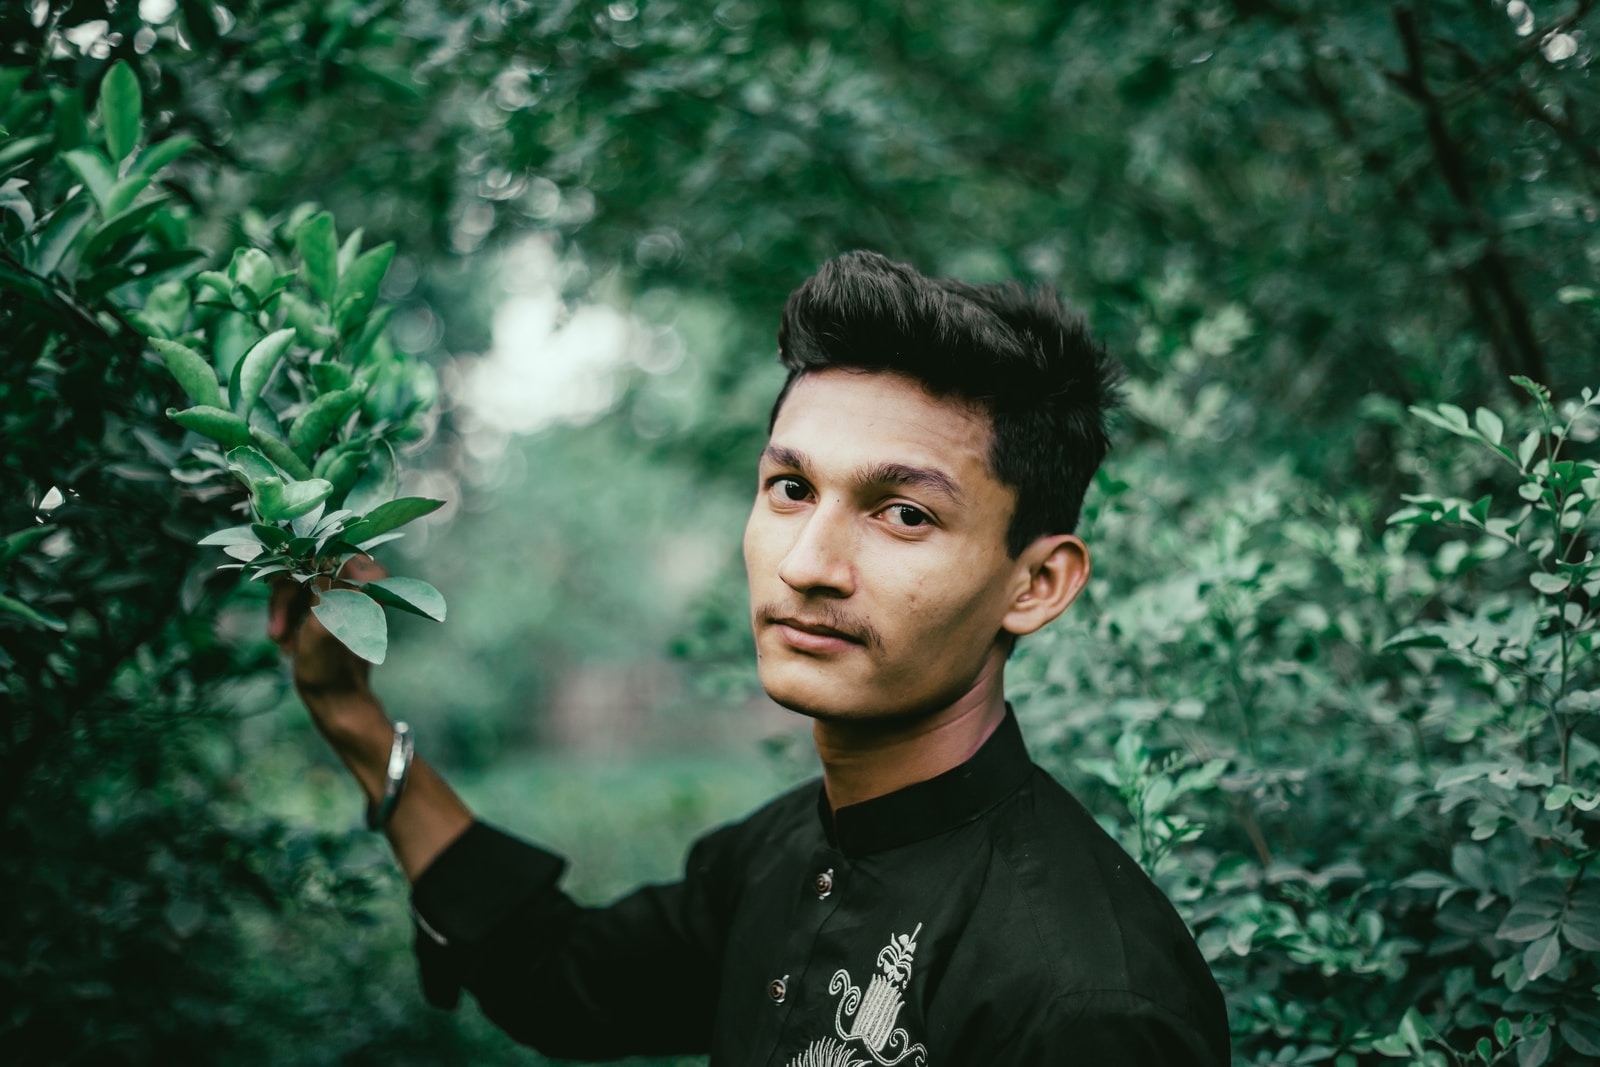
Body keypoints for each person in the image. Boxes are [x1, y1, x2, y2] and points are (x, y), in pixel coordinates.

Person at [269, 251, 1230, 1065]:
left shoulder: (1091, 1001)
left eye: (905, 513)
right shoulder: (776, 853)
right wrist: (347, 711)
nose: (809, 564)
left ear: (1037, 583)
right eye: (790, 486)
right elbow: (561, 978)